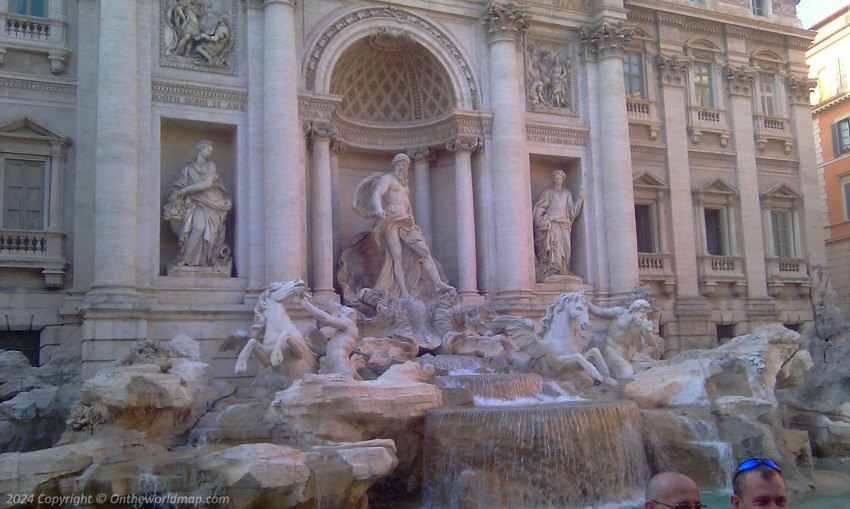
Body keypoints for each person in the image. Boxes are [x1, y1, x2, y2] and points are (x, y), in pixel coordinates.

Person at [352, 153, 452, 299]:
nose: (403, 167)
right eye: (400, 164)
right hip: (391, 220)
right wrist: (378, 209)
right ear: (395, 165)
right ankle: (404, 292)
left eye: (405, 165)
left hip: (406, 222)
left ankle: (437, 283)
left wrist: (412, 222)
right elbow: (376, 194)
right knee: (396, 256)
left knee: (424, 252)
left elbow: (408, 207)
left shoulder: (404, 187)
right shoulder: (388, 179)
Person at [163, 140, 232, 268]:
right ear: (199, 149)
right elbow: (178, 186)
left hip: (212, 202)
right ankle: (186, 259)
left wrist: (186, 190)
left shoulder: (211, 165)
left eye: (210, 151)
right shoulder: (188, 169)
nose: (209, 153)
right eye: (207, 150)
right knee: (198, 227)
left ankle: (199, 260)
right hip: (195, 202)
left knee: (204, 230)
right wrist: (178, 194)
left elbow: (207, 184)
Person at [588, 298, 663, 378]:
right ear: (634, 309)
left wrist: (648, 332)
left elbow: (652, 343)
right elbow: (599, 312)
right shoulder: (620, 313)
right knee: (627, 372)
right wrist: (587, 302)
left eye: (646, 313)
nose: (644, 315)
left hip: (625, 354)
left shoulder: (641, 325)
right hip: (611, 349)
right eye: (642, 311)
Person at [300, 292, 363, 380]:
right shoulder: (340, 333)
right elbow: (328, 350)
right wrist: (311, 347)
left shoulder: (349, 324)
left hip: (340, 364)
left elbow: (327, 319)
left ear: (351, 315)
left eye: (342, 313)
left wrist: (307, 304)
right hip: (329, 365)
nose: (339, 315)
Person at [533, 170, 583, 279]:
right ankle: (554, 270)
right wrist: (539, 220)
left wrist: (580, 199)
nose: (557, 180)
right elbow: (540, 207)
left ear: (563, 179)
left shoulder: (567, 193)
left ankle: (564, 270)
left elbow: (572, 211)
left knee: (566, 248)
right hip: (553, 222)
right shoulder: (548, 192)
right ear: (553, 179)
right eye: (556, 178)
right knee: (556, 246)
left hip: (564, 223)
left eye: (559, 179)